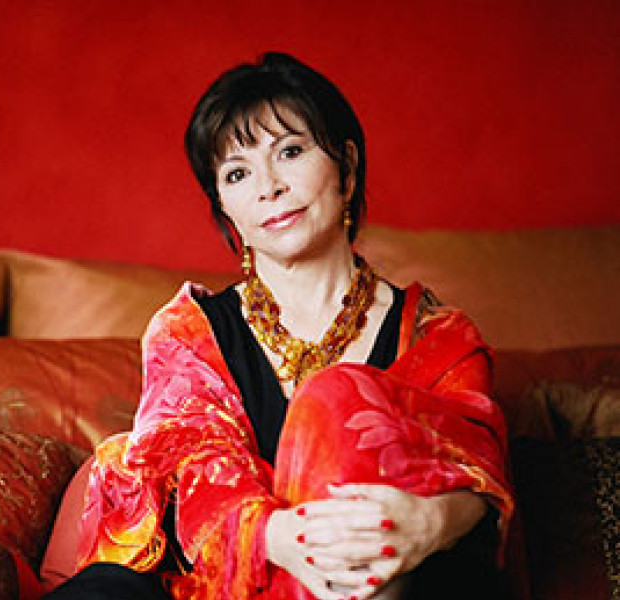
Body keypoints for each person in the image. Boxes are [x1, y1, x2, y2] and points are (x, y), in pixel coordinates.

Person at [45, 51, 513, 600]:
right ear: (225, 208)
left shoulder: (437, 336)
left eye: (290, 152)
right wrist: (285, 539)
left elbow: (480, 474)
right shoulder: (189, 333)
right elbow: (197, 480)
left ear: (346, 167)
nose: (268, 187)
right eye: (237, 173)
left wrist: (427, 525)